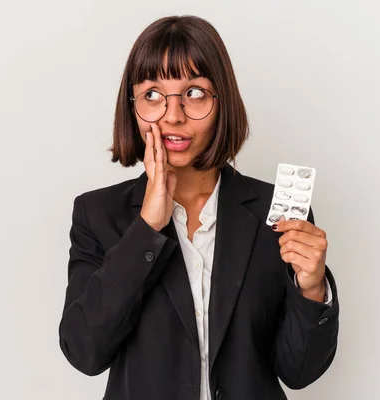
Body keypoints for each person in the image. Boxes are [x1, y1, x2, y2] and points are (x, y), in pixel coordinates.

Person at [58, 15, 339, 400]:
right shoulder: (98, 214)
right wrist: (147, 227)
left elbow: (298, 372)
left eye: (194, 93)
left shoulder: (277, 215)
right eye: (153, 94)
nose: (173, 115)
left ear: (221, 101)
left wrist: (311, 289)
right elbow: (85, 352)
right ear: (133, 105)